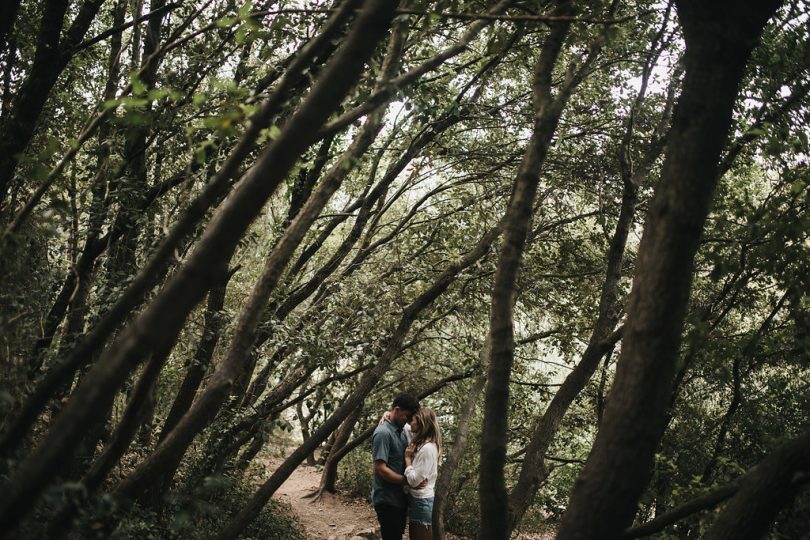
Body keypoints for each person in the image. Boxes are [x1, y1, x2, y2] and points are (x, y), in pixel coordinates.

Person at [372, 393, 420, 540]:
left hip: (398, 498)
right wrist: (406, 481)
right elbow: (380, 468)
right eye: (406, 416)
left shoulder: (401, 431)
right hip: (387, 499)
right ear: (397, 409)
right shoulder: (383, 433)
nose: (408, 420)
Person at [403, 407, 441, 540]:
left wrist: (408, 459)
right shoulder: (420, 440)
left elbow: (413, 481)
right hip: (417, 500)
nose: (409, 423)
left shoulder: (427, 449)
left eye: (412, 420)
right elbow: (405, 428)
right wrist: (387, 414)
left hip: (422, 501)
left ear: (421, 424)